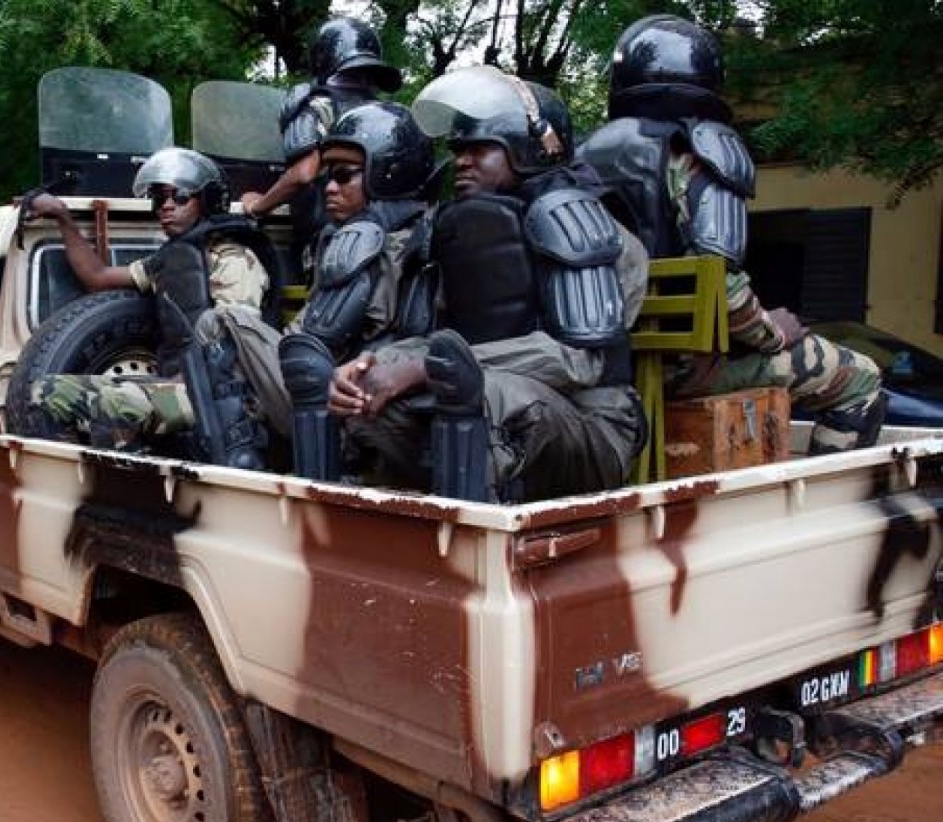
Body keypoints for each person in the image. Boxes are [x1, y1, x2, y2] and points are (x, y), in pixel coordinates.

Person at [302, 66, 647, 502]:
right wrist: (372, 365)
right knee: (370, 405)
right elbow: (430, 338)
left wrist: (429, 368)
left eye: (480, 148)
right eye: (459, 149)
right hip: (475, 401)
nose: (461, 160)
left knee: (493, 396)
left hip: (592, 424)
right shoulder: (461, 233)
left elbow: (580, 362)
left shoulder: (590, 233)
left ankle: (475, 541)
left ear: (526, 147)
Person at [578, 14, 885, 453]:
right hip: (680, 371)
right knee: (862, 377)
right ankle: (818, 505)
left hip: (601, 366)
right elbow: (721, 283)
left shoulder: (578, 160)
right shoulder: (701, 153)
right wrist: (773, 331)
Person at [24, 147, 286, 469]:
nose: (166, 207)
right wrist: (62, 217)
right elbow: (98, 276)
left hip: (221, 398)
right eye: (159, 199)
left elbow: (242, 349)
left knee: (55, 394)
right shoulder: (168, 261)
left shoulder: (233, 259)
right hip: (182, 387)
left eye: (179, 197)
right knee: (44, 391)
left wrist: (184, 380)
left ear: (207, 200)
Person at [277, 101, 435, 481]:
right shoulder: (340, 241)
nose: (329, 188)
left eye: (344, 175)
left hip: (364, 393)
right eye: (327, 177)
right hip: (332, 388)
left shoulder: (411, 243)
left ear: (388, 174)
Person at [238, 17, 402, 272]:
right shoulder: (388, 117)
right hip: (386, 239)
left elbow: (304, 173)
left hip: (333, 245)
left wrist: (257, 206)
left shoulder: (316, 105)